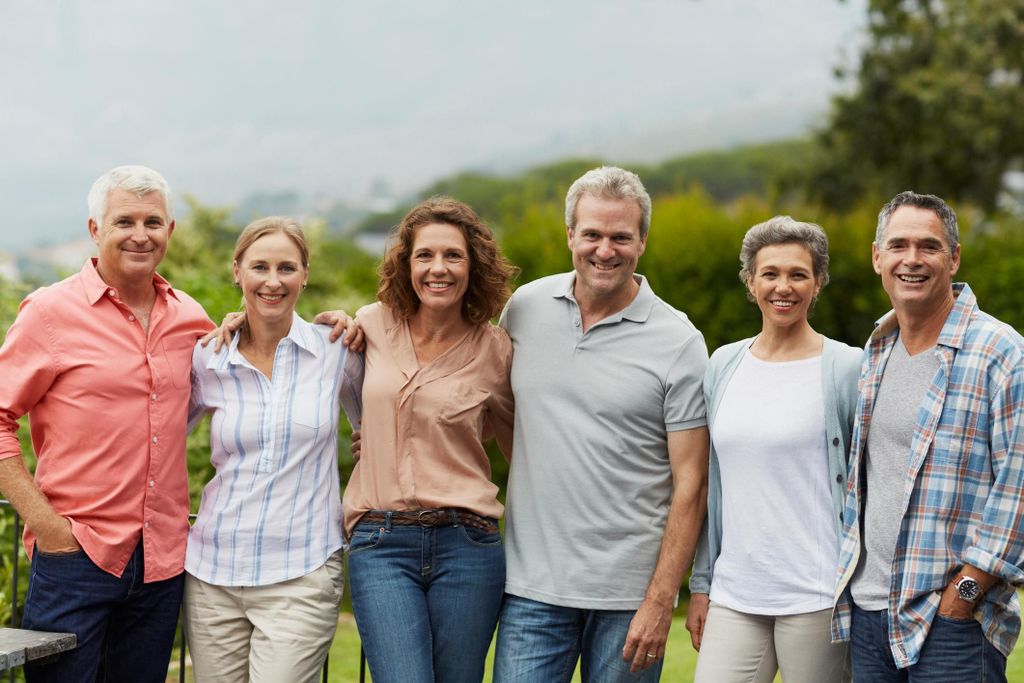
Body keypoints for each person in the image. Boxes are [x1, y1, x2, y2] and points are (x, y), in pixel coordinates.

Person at [493, 166, 710, 682]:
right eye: (591, 234)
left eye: (620, 237)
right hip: (531, 590)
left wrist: (661, 602)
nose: (605, 250)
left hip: (630, 600)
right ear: (570, 235)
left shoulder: (678, 341)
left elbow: (692, 484)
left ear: (643, 242)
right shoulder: (524, 309)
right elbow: (491, 411)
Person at [0, 166, 214, 682]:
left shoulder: (190, 318)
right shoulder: (49, 312)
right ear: (95, 230)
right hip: (75, 558)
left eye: (153, 222)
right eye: (125, 221)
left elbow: (249, 366)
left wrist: (334, 331)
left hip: (162, 563)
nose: (141, 235)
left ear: (170, 231)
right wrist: (48, 526)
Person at [832, 191, 1024, 681]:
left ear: (954, 257)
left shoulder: (1000, 352)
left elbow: (1019, 484)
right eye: (897, 245)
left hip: (953, 624)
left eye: (928, 246)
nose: (911, 259)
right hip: (870, 614)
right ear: (877, 258)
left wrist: (966, 592)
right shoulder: (877, 348)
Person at [182, 217, 363, 682]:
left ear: (305, 274)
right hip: (212, 574)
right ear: (237, 270)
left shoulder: (337, 349)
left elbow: (382, 428)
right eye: (259, 266)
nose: (273, 280)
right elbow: (157, 435)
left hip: (301, 573)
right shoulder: (209, 357)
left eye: (286, 267)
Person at [344, 196, 516, 683]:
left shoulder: (495, 348)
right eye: (425, 255)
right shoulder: (371, 324)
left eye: (453, 256)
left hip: (468, 545)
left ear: (473, 265)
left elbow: (522, 450)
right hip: (380, 541)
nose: (438, 269)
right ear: (406, 263)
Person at [686, 216, 858, 682]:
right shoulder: (723, 364)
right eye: (770, 273)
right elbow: (712, 484)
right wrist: (701, 585)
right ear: (750, 281)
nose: (784, 287)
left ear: (818, 282)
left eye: (798, 274)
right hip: (735, 595)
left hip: (818, 596)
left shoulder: (848, 367)